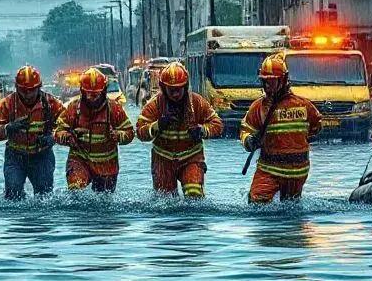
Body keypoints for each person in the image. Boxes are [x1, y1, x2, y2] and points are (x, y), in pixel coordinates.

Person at [240, 54, 322, 203]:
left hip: (294, 172)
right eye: (265, 82)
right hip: (272, 169)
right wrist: (249, 141)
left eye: (272, 81)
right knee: (257, 200)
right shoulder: (259, 107)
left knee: (285, 207)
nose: (268, 86)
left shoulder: (303, 105)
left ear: (283, 80)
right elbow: (246, 130)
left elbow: (316, 127)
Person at [135, 62, 223, 198]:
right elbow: (140, 131)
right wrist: (158, 125)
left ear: (185, 87)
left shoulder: (197, 102)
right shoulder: (155, 104)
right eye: (171, 90)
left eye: (179, 90)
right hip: (162, 159)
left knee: (194, 194)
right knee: (165, 200)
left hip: (191, 157)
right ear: (164, 89)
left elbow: (217, 125)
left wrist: (202, 130)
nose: (175, 94)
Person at [0, 65, 65, 200]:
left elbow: (67, 127)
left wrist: (53, 137)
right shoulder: (7, 104)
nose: (28, 94)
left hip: (42, 156)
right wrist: (9, 128)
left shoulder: (51, 103)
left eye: (31, 90)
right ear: (17, 87)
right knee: (12, 194)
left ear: (39, 87)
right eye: (23, 90)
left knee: (44, 197)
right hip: (15, 157)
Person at [54, 67, 134, 193]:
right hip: (79, 160)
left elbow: (129, 132)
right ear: (82, 91)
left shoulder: (114, 108)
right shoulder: (74, 108)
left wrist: (117, 135)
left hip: (107, 164)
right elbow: (58, 131)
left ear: (103, 91)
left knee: (104, 200)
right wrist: (69, 137)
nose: (92, 98)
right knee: (76, 193)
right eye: (89, 93)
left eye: (96, 94)